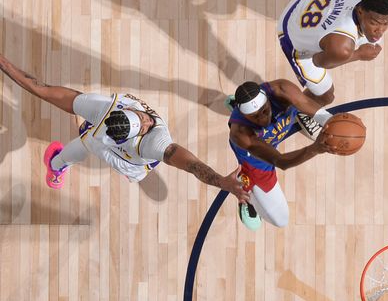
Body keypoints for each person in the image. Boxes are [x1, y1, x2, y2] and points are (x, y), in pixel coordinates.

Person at [0, 52, 248, 202]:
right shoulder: (114, 115)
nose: (149, 120)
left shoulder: (149, 135)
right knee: (86, 143)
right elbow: (40, 89)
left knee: (91, 136)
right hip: (114, 144)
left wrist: (220, 181)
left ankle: (63, 156)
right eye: (143, 122)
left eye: (143, 118)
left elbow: (192, 165)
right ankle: (56, 163)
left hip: (124, 149)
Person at [276, 0, 388, 139]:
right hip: (292, 38)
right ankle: (296, 114)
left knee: (333, 21)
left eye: (386, 23)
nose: (380, 30)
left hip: (307, 0)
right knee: (327, 95)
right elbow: (318, 60)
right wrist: (359, 55)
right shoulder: (342, 47)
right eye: (375, 23)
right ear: (360, 11)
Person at [228, 79, 339, 229]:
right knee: (281, 220)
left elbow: (320, 113)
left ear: (268, 99)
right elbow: (280, 161)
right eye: (254, 116)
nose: (262, 118)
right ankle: (248, 194)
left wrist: (335, 124)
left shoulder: (281, 89)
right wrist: (315, 148)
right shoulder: (240, 133)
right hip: (258, 161)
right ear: (244, 115)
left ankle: (301, 115)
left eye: (265, 111)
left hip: (270, 137)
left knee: (327, 96)